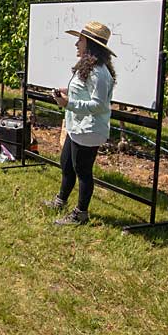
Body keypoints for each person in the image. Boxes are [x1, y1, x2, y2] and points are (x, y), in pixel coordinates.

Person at [45, 21, 117, 226]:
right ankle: (60, 201)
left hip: (89, 129)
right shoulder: (89, 67)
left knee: (83, 170)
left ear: (90, 45)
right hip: (78, 126)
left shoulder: (99, 73)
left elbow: (99, 105)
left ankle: (80, 214)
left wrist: (69, 103)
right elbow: (83, 92)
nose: (77, 44)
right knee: (67, 163)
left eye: (81, 40)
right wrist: (65, 92)